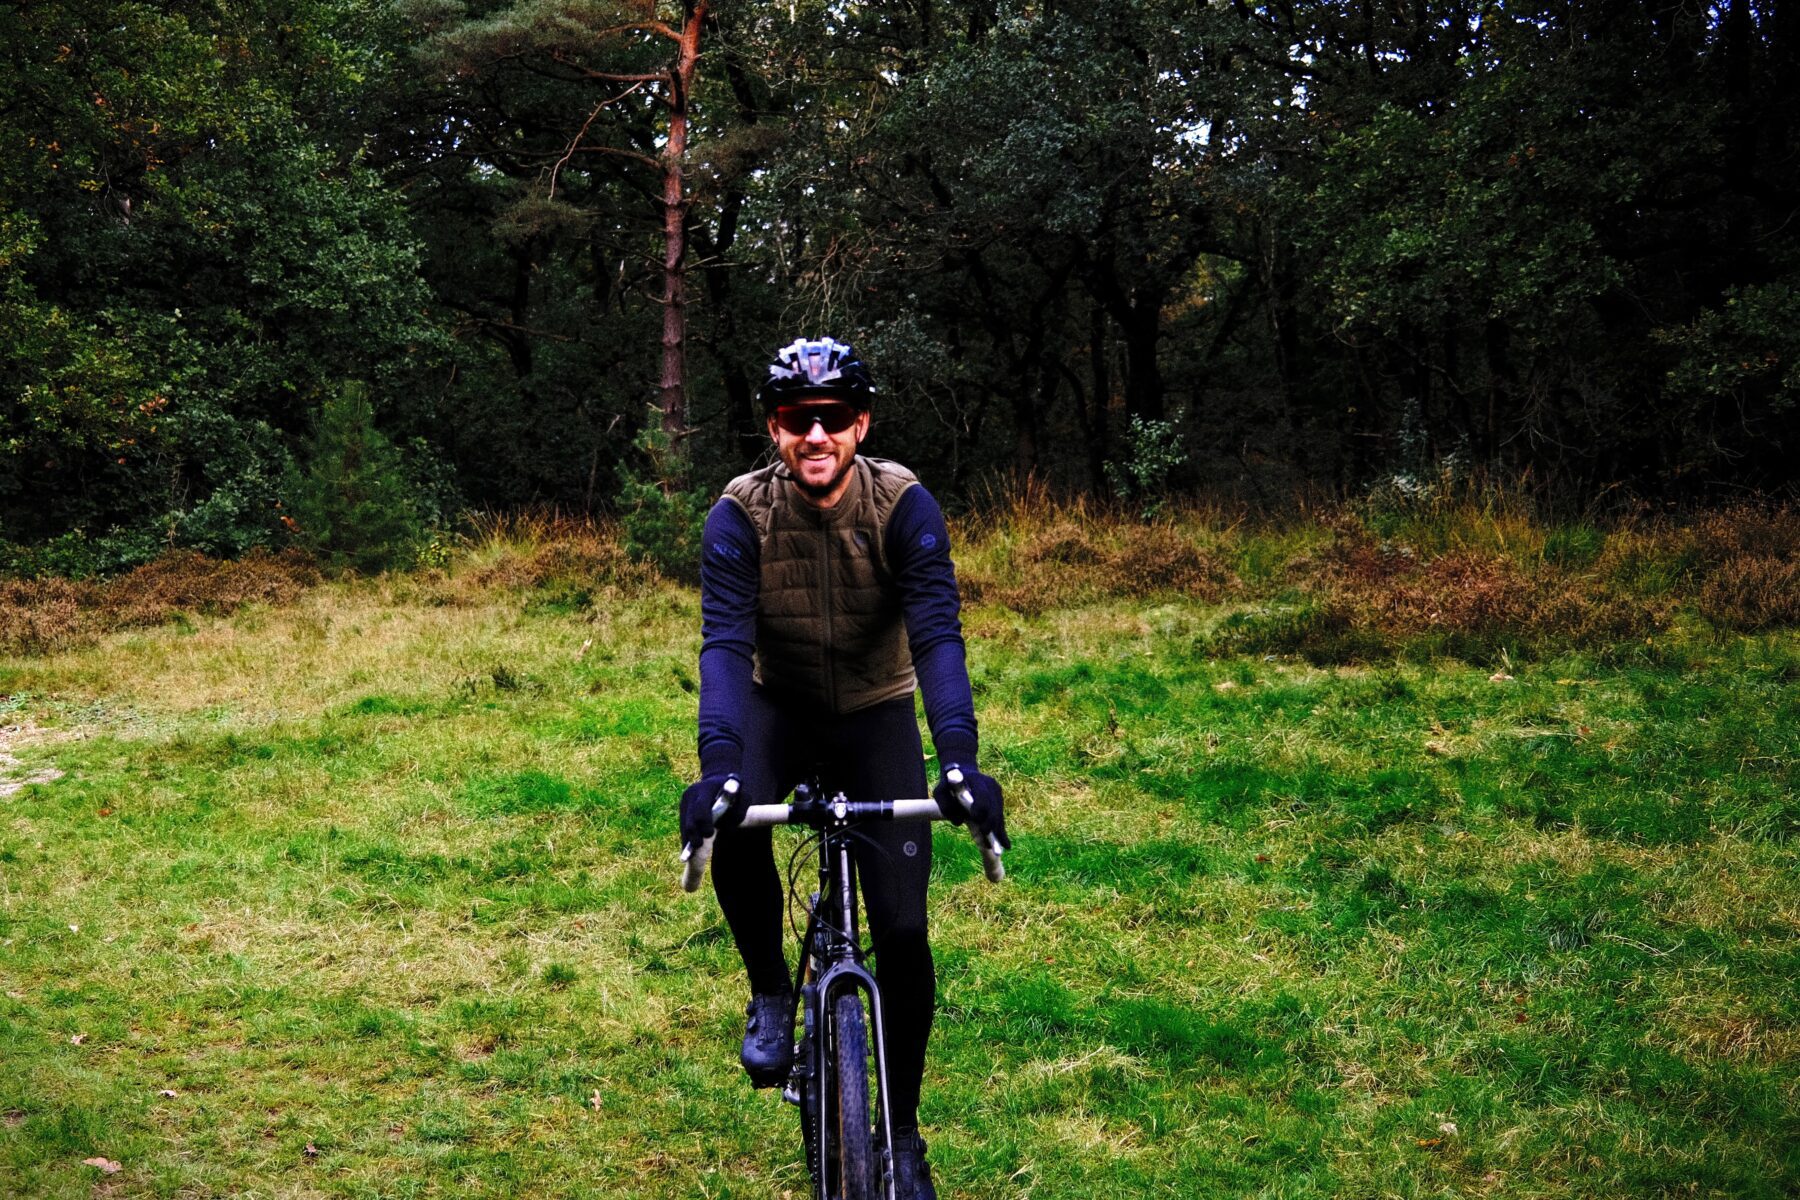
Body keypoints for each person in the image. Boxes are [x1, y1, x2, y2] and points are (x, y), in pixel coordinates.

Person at [680, 336, 1009, 1200]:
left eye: (833, 419)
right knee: (736, 813)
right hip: (778, 705)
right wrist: (718, 763)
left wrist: (961, 760)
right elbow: (724, 644)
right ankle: (771, 993)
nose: (815, 436)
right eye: (797, 420)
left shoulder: (904, 504)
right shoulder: (739, 513)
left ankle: (901, 1136)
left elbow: (937, 634)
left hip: (875, 709)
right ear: (774, 429)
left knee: (902, 930)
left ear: (860, 424)